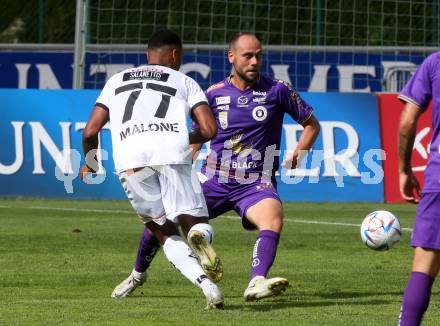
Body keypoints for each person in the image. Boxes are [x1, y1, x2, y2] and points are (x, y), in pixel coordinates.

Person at [112, 32, 321, 302]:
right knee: (164, 219)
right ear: (231, 56)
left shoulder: (277, 90)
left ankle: (256, 281)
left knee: (273, 219)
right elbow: (198, 134)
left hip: (255, 182)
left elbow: (312, 124)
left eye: (258, 55)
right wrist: (183, 161)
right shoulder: (213, 94)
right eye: (248, 55)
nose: (254, 61)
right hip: (214, 178)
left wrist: (298, 154)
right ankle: (137, 275)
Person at [80, 30, 224, 309]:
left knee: (164, 232)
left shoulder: (116, 81)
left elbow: (91, 130)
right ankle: (200, 236)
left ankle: (208, 287)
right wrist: (182, 137)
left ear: (148, 55)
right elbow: (209, 130)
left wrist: (92, 162)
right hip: (172, 154)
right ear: (174, 54)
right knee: (195, 222)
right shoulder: (185, 81)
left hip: (131, 162)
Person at [397, 52, 440, 325]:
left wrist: (404, 169)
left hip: (439, 178)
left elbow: (407, 121)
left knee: (424, 265)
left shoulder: (435, 62)